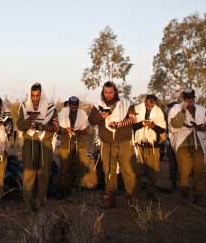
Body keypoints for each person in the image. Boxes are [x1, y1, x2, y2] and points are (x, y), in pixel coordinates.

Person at [88, 81, 138, 209]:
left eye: (111, 92)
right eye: (106, 92)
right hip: (107, 143)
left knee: (128, 170)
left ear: (115, 92)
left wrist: (119, 124)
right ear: (103, 92)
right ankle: (110, 198)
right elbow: (91, 121)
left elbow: (133, 119)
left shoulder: (126, 104)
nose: (108, 95)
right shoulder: (98, 106)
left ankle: (132, 197)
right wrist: (101, 116)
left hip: (124, 142)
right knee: (109, 171)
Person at [16, 83, 58, 211]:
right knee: (29, 173)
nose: (35, 98)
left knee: (43, 173)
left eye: (37, 95)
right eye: (33, 96)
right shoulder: (24, 106)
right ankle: (28, 203)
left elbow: (56, 127)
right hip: (29, 142)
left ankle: (41, 202)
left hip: (45, 142)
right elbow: (20, 125)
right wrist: (30, 119)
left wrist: (42, 127)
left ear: (41, 94)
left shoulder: (51, 108)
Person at [168, 89, 206, 206]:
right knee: (184, 171)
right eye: (187, 99)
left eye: (191, 98)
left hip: (198, 143)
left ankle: (198, 196)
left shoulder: (201, 109)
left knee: (198, 170)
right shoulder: (175, 109)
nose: (190, 101)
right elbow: (175, 125)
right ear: (183, 98)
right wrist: (183, 110)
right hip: (182, 144)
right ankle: (184, 196)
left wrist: (202, 127)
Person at [132, 94, 166, 200]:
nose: (149, 105)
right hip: (139, 145)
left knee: (153, 173)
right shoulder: (137, 109)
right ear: (145, 101)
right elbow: (131, 126)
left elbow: (162, 129)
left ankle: (151, 194)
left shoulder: (158, 112)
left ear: (154, 103)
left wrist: (152, 126)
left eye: (152, 103)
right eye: (148, 103)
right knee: (137, 172)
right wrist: (142, 124)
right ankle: (135, 195)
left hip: (153, 146)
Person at [56, 96, 89, 198]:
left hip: (79, 144)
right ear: (69, 104)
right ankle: (64, 191)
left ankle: (77, 191)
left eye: (76, 105)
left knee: (80, 167)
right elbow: (57, 129)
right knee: (65, 168)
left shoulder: (83, 114)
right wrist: (66, 130)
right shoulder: (62, 113)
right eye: (72, 105)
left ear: (78, 105)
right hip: (66, 144)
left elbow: (87, 130)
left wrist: (78, 131)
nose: (74, 107)